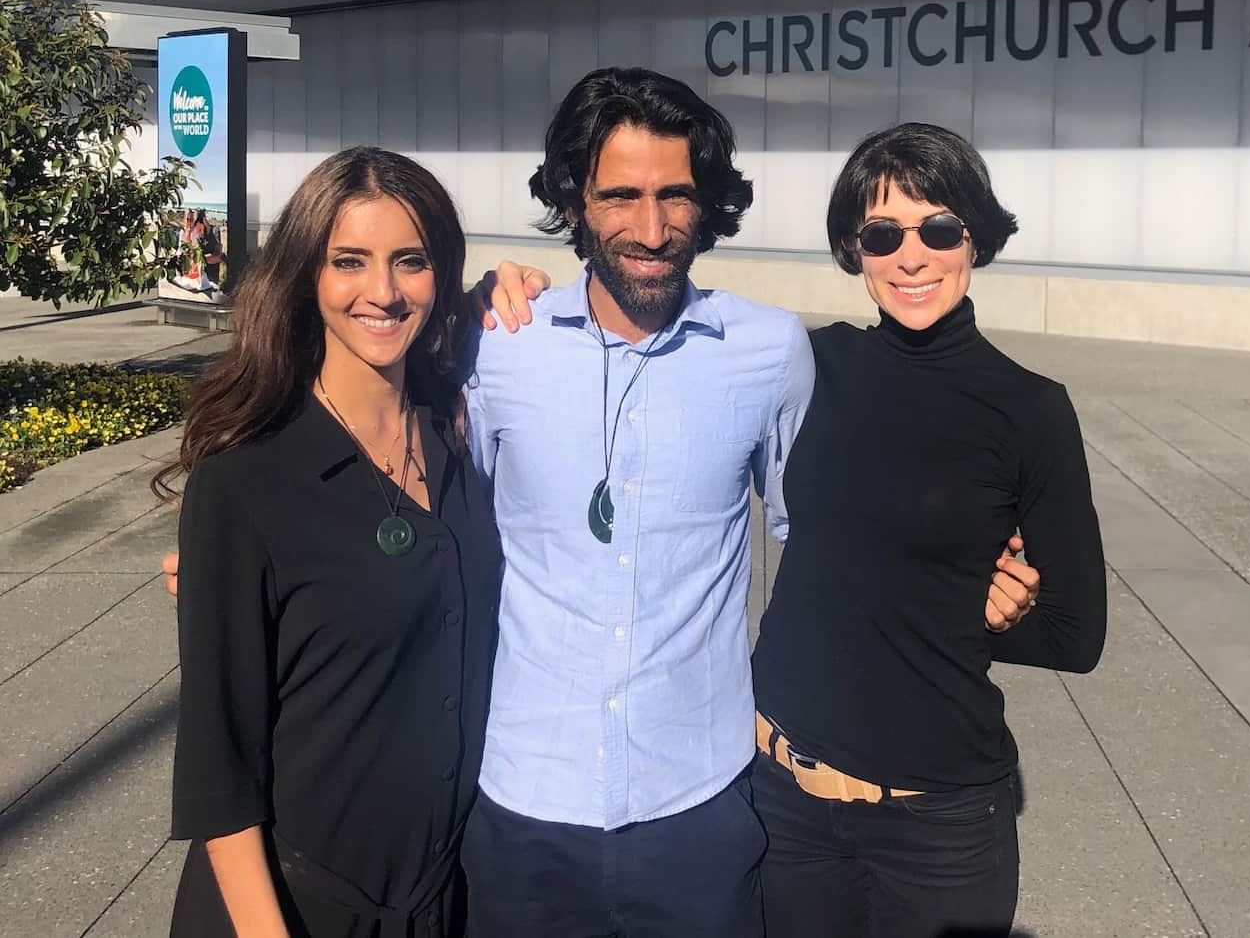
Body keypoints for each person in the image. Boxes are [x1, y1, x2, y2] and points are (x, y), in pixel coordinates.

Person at [164, 70, 1036, 937]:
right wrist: (235, 570)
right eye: (619, 194)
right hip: (515, 812)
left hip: (700, 807)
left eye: (674, 195)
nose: (649, 227)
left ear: (709, 203)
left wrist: (968, 563)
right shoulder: (495, 347)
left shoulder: (767, 353)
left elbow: (828, 536)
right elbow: (354, 463)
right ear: (575, 202)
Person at [749, 122, 1107, 937]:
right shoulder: (811, 364)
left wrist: (982, 616)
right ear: (854, 248)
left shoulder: (1030, 410)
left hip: (938, 828)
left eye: (937, 228)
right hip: (784, 806)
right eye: (883, 233)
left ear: (972, 236)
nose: (912, 255)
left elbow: (1077, 633)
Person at [156, 147, 502, 938]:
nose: (382, 291)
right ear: (308, 275)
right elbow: (219, 768)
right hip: (291, 908)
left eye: (410, 261)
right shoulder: (245, 477)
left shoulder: (459, 438)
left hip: (439, 897)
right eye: (350, 261)